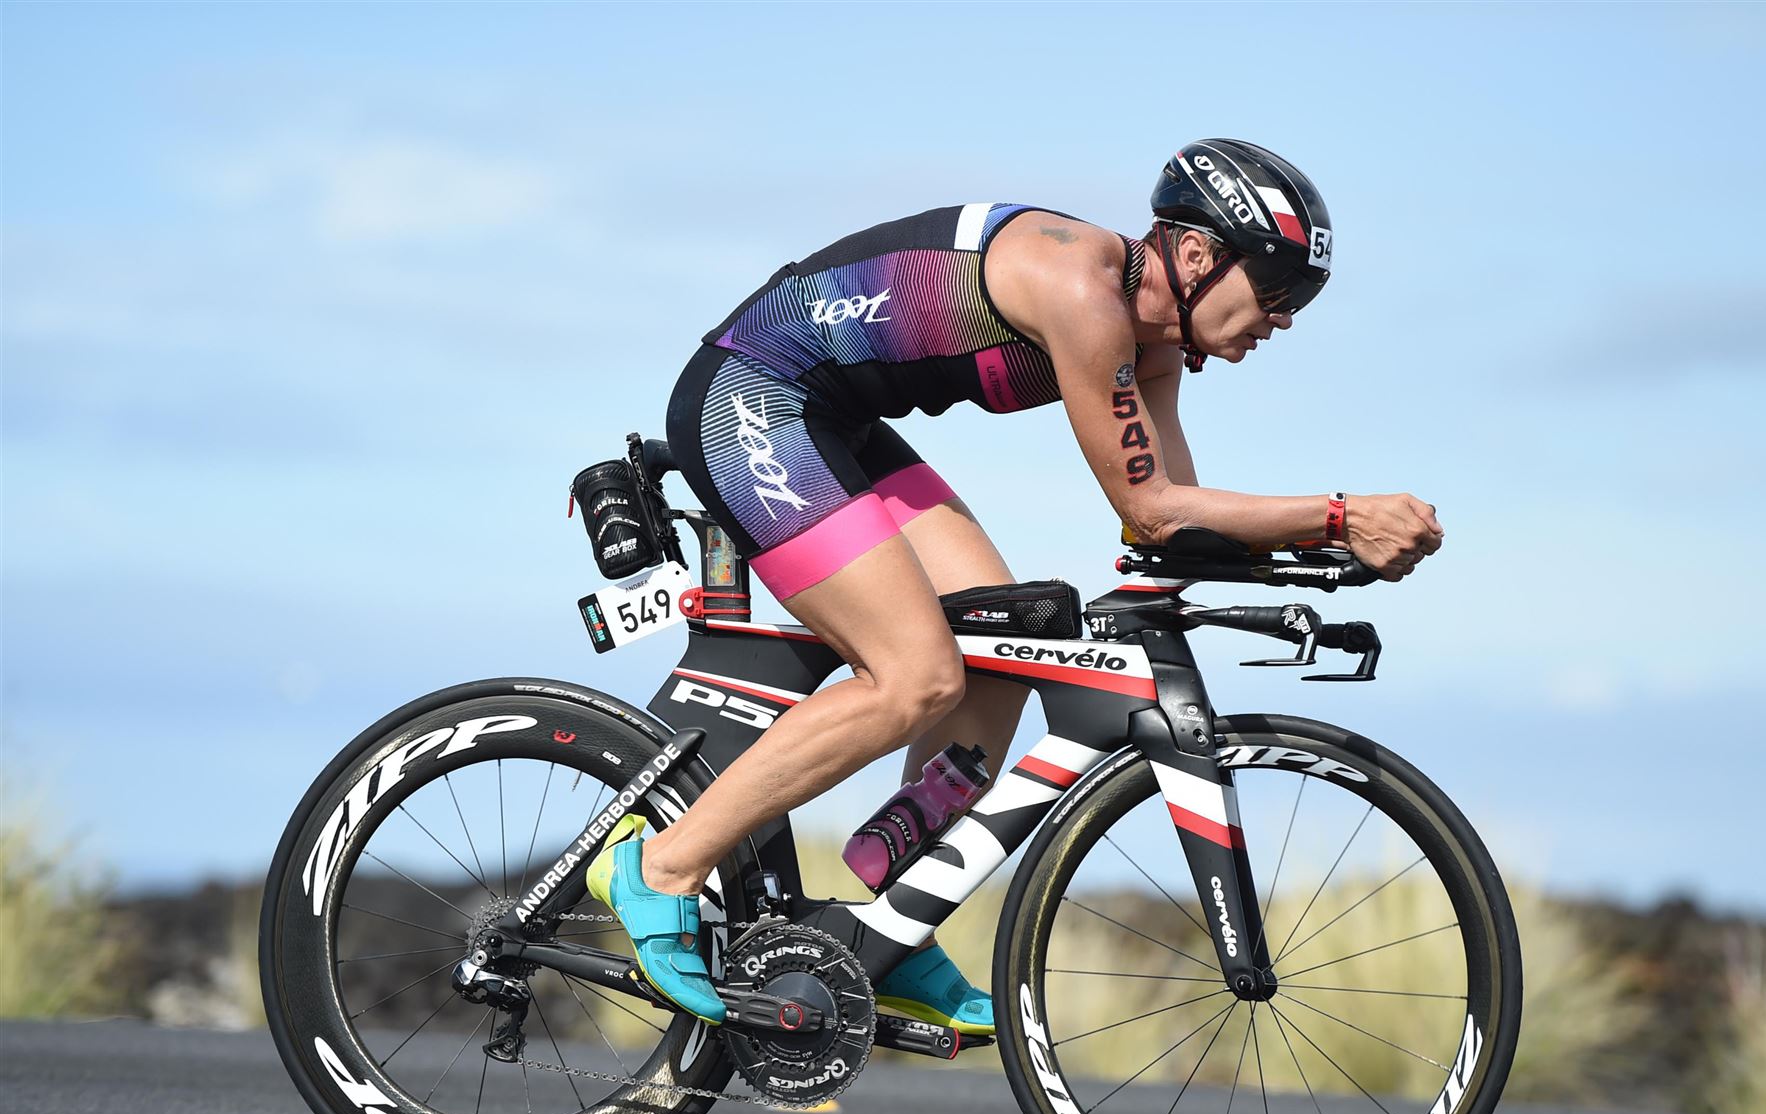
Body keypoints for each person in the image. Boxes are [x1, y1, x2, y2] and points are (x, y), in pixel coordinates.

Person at [591, 139, 1445, 1028]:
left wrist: (1327, 557)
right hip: (752, 395)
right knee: (913, 677)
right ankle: (661, 868)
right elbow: (1152, 510)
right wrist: (1340, 514)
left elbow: (1176, 529)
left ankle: (891, 929)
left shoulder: (1153, 347)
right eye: (1275, 289)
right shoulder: (1082, 288)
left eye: (1300, 300)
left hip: (835, 420)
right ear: (1196, 254)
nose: (1285, 318)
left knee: (1003, 652)